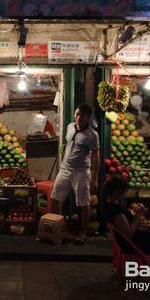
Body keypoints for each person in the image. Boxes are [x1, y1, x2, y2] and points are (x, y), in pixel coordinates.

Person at [51, 103, 100, 245]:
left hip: (81, 172)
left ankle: (83, 232)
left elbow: (96, 156)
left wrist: (95, 178)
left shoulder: (92, 135)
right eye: (77, 114)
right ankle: (61, 228)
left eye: (82, 116)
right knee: (55, 198)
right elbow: (67, 144)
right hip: (65, 169)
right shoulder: (70, 127)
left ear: (88, 118)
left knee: (83, 203)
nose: (78, 118)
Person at [104, 175, 150, 255]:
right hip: (136, 244)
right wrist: (138, 214)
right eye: (123, 191)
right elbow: (129, 235)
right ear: (117, 192)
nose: (124, 194)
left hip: (139, 238)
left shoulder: (112, 206)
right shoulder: (116, 211)